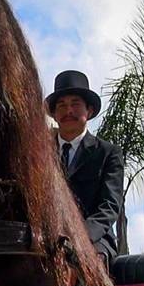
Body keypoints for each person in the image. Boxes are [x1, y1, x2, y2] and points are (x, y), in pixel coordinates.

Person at [46, 70, 125, 266]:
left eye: (75, 104)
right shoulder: (39, 154)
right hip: (45, 239)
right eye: (62, 106)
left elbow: (109, 207)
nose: (68, 111)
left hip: (93, 241)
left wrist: (78, 237)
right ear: (54, 114)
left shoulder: (108, 153)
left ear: (89, 111)